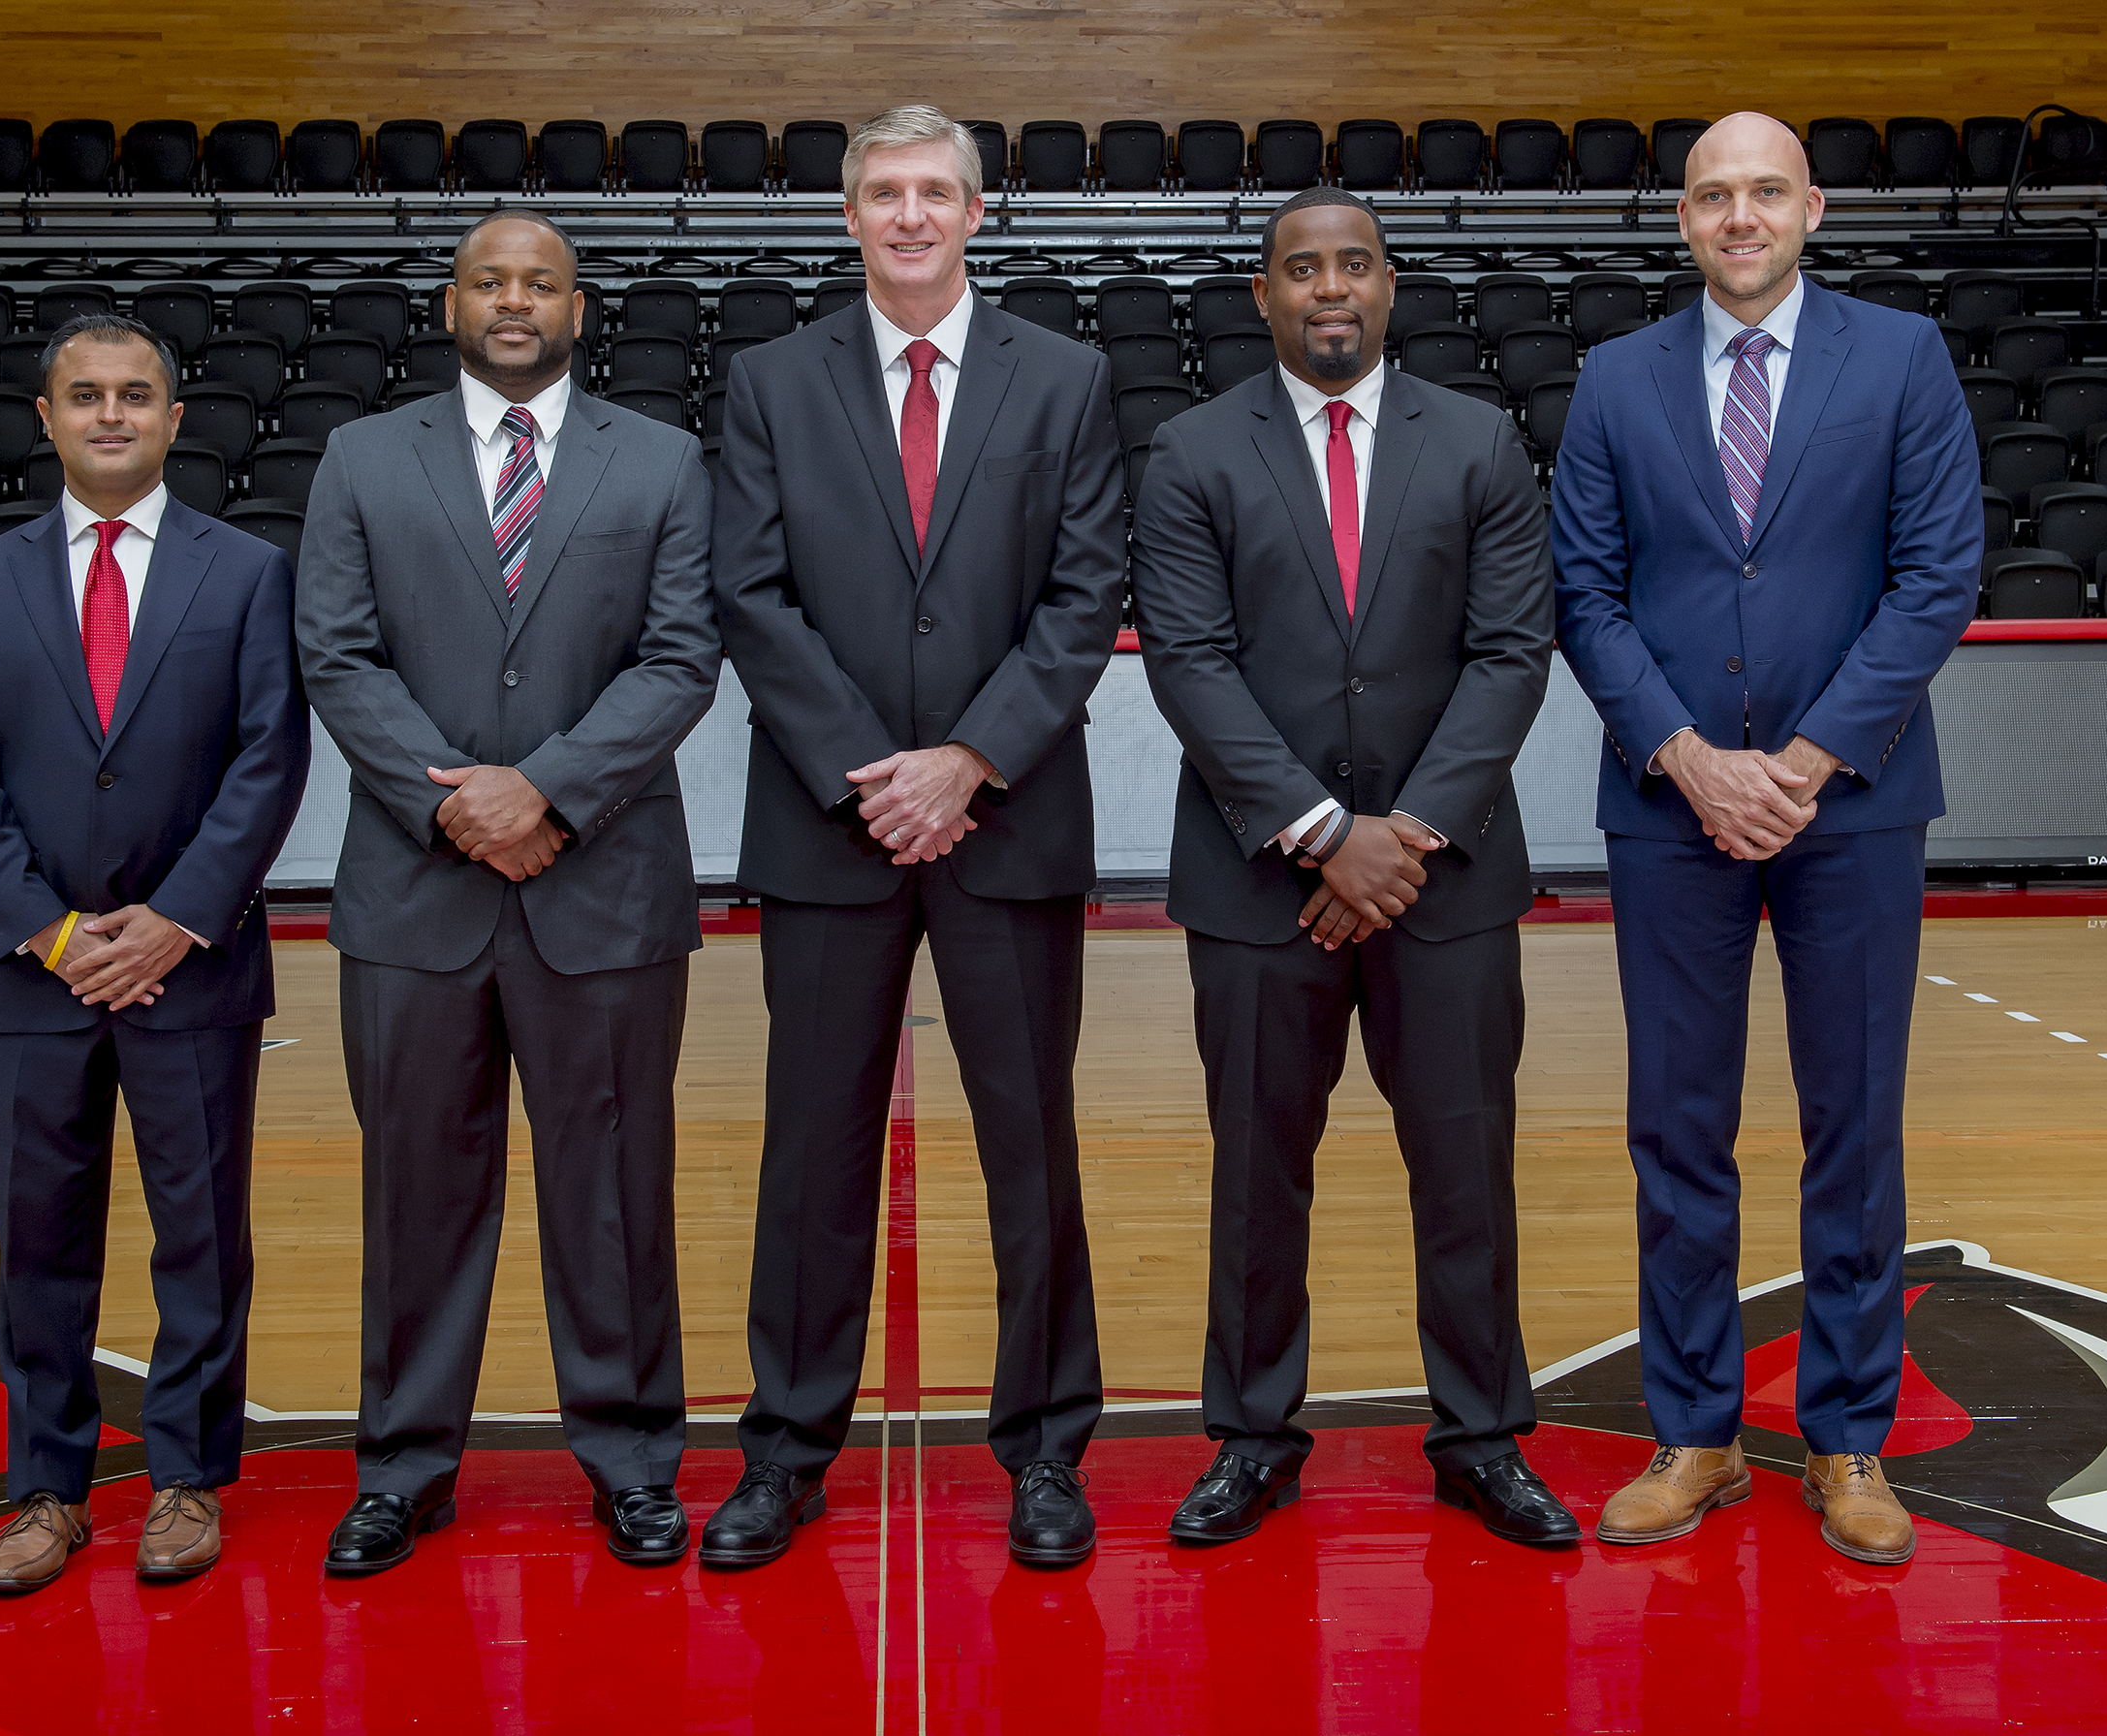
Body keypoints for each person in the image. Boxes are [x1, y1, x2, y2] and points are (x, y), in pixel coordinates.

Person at [1550, 113, 1982, 1564]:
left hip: (1851, 804)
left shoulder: (1903, 357)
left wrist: (1793, 765)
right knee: (1679, 1129)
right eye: (1714, 196)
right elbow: (1585, 595)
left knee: (1851, 1127)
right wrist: (1688, 760)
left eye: (1765, 193)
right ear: (1683, 219)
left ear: (1812, 208)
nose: (1741, 217)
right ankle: (1697, 1437)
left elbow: (1938, 576)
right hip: (1668, 811)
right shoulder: (1616, 380)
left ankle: (1849, 1443)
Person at [707, 105, 1123, 1569]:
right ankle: (788, 1447)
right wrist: (873, 776)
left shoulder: (1064, 379)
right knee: (813, 1153)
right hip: (832, 832)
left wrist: (968, 762)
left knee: (1032, 1148)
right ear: (847, 215)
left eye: (934, 192)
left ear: (978, 213)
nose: (908, 215)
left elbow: (1082, 603)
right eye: (882, 192)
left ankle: (1048, 1451)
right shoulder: (769, 380)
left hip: (1006, 825)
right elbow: (750, 595)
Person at [1131, 186, 1574, 1550]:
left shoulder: (1482, 443)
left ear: (1391, 288)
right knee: (1261, 1172)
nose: (1331, 288)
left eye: (1355, 265)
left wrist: (1408, 837)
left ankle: (1483, 1436)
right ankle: (1253, 1436)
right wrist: (1330, 836)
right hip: (1261, 883)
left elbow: (1512, 653)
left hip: (1447, 883)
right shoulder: (1192, 451)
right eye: (1301, 269)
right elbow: (1190, 665)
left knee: (1465, 1169)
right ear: (1262, 296)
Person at [297, 212, 720, 1572]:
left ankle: (634, 1461)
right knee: (419, 1190)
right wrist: (451, 803)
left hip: (602, 887)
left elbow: (679, 660)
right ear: (451, 303)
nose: (516, 302)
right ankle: (405, 1467)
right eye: (491, 281)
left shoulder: (661, 461)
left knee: (613, 1186)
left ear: (579, 310)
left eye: (541, 283)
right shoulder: (365, 459)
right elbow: (339, 658)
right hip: (416, 894)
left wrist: (542, 790)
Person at [0, 313, 310, 1594]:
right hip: (34, 975)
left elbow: (270, 761)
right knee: (40, 1239)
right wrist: (50, 929)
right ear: (44, 417)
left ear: (173, 417)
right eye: (84, 396)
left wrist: (176, 918)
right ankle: (47, 1489)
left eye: (134, 396)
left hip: (191, 963)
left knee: (200, 1233)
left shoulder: (246, 575)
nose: (109, 415)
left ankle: (189, 1480)